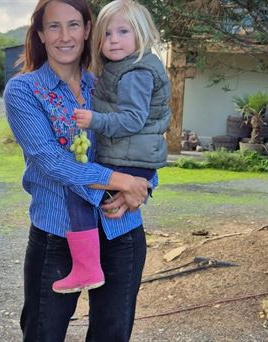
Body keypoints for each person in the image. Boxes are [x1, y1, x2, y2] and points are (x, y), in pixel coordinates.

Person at [3, 0, 156, 340]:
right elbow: (52, 161)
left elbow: (143, 137)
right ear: (40, 34)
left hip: (121, 229)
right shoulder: (24, 90)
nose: (64, 36)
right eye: (54, 26)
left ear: (88, 30)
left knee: (112, 333)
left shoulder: (107, 83)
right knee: (44, 332)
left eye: (74, 25)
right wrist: (122, 182)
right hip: (57, 232)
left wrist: (143, 184)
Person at [53, 0, 170, 294]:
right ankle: (89, 264)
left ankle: (86, 267)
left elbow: (132, 120)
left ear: (142, 35)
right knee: (91, 190)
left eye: (123, 32)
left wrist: (95, 120)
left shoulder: (135, 73)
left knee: (80, 188)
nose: (113, 40)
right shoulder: (124, 68)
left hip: (131, 156)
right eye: (106, 34)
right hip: (133, 156)